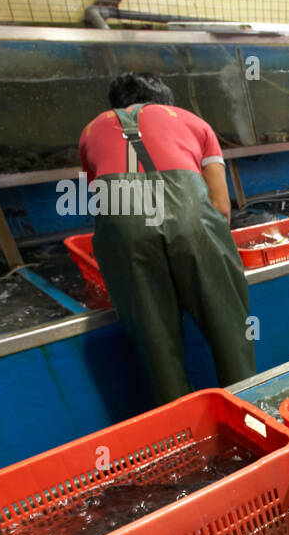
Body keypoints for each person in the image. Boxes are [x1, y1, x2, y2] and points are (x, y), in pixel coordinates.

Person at [78, 72, 256, 405]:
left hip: (124, 229)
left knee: (155, 342)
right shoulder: (193, 122)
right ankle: (249, 411)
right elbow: (219, 205)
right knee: (230, 329)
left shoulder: (90, 130)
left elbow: (102, 201)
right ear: (164, 100)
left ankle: (184, 433)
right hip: (192, 222)